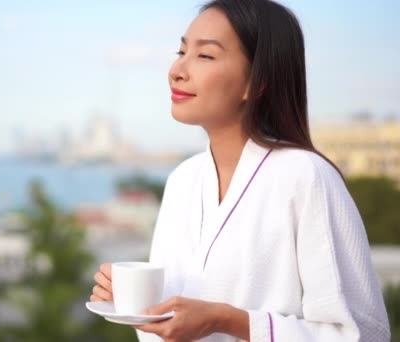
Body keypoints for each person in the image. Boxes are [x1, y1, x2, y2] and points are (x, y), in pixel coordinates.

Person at [90, 0, 391, 341]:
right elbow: (171, 325)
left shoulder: (306, 177)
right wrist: (136, 303)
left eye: (205, 56)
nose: (176, 70)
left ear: (257, 82)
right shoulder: (182, 181)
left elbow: (363, 334)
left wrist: (228, 321)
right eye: (181, 51)